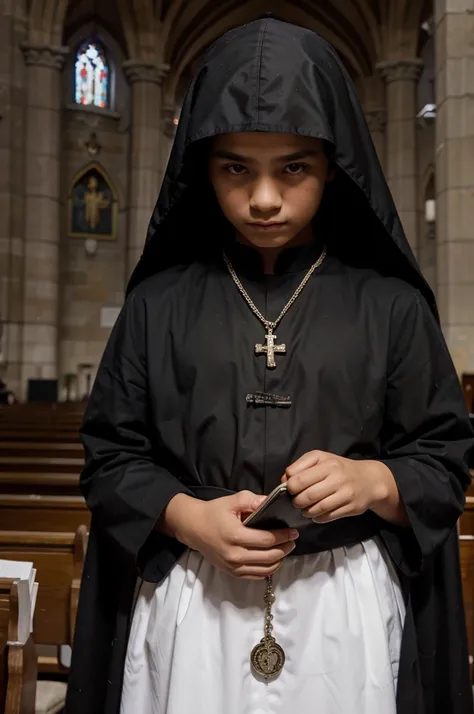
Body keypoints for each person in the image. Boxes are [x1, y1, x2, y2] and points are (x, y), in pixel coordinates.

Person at [65, 16, 474, 714]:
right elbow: (110, 458)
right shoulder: (157, 305)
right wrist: (186, 516)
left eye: (293, 168)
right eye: (235, 168)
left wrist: (375, 479)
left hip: (344, 613)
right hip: (195, 606)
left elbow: (442, 457)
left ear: (333, 165)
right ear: (203, 166)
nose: (262, 197)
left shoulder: (393, 305)